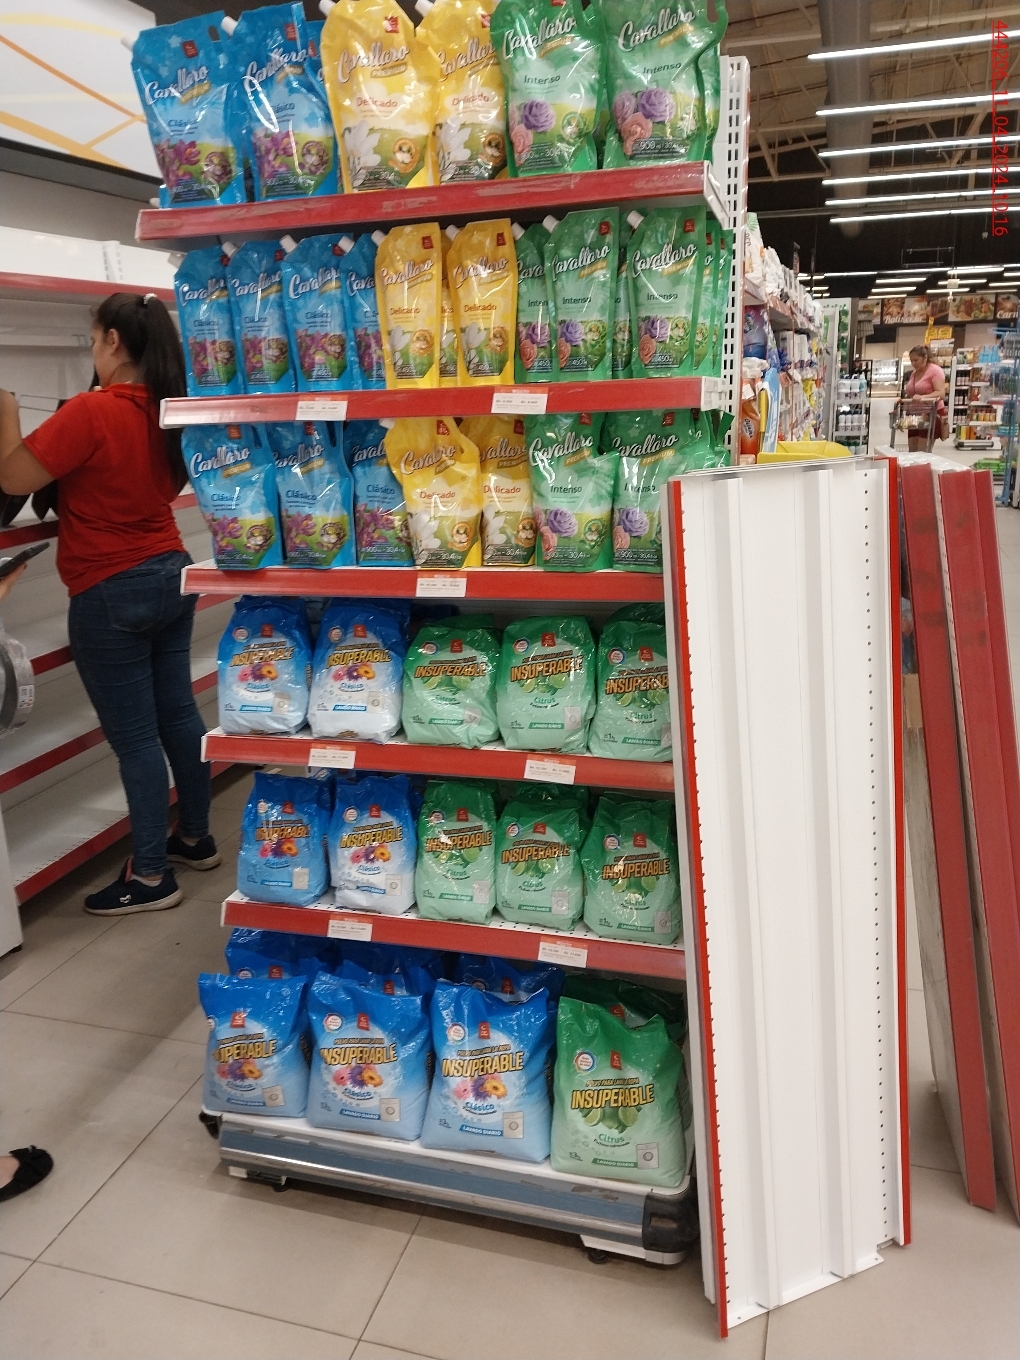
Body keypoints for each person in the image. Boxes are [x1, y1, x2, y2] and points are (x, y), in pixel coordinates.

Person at [0, 292, 220, 917]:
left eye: (94, 340)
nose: (93, 352)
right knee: (178, 715)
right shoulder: (169, 410)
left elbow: (14, 478)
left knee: (136, 740)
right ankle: (195, 838)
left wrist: (7, 409)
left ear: (115, 342)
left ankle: (150, 876)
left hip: (109, 588)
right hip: (172, 574)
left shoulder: (94, 411)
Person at [903, 344, 947, 451]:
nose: (913, 363)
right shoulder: (914, 373)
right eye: (911, 361)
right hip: (915, 415)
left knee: (923, 451)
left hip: (931, 414)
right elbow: (911, 392)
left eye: (916, 360)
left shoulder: (935, 371)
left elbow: (941, 393)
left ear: (925, 358)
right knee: (912, 450)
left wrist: (923, 397)